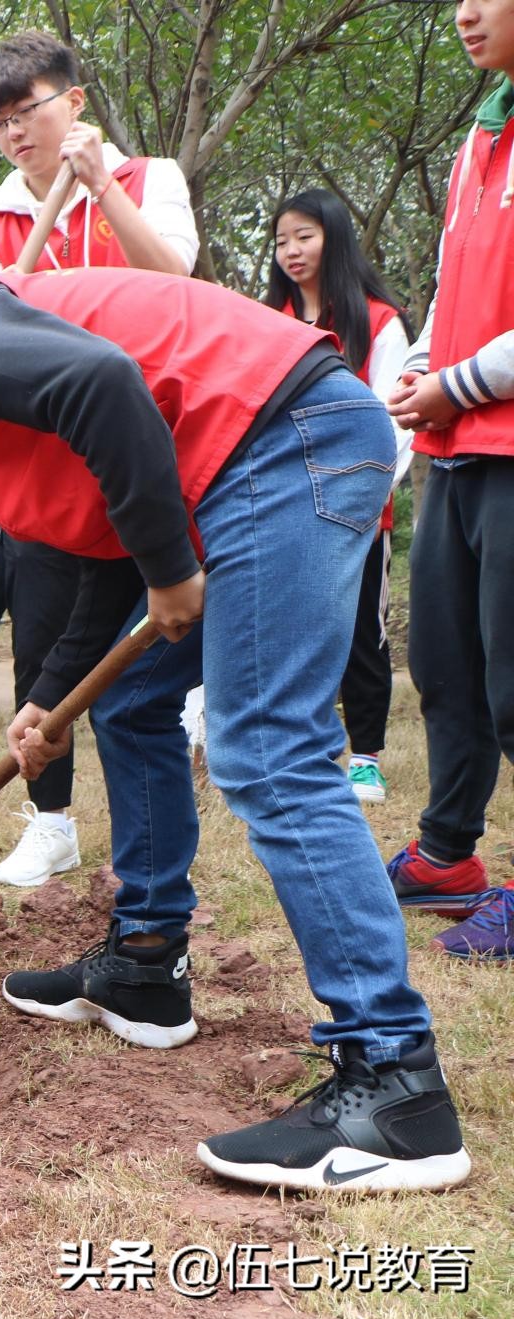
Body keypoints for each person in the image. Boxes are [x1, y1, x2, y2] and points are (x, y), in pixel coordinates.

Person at [0, 266, 470, 1193]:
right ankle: (146, 964)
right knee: (132, 699)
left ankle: (396, 1084)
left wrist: (168, 569)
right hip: (244, 457)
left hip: (283, 437)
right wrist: (52, 696)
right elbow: (110, 529)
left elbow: (105, 384)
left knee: (268, 750)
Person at [0, 31, 202, 892]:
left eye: (27, 110)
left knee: (145, 665)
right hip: (52, 462)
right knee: (41, 638)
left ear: (74, 100)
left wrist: (100, 187)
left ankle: (163, 826)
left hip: (158, 449)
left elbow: (177, 280)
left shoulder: (149, 179)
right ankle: (52, 822)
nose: (14, 133)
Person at [384, 0, 514, 962]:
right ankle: (446, 856)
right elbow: (450, 286)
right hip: (456, 448)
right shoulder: (481, 134)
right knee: (446, 664)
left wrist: (453, 385)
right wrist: (421, 367)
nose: (464, 11)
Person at [265, 190, 414, 805]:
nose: (292, 251)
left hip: (358, 510)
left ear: (335, 237)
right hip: (283, 506)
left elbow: (398, 419)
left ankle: (366, 759)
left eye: (305, 236)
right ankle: (300, 747)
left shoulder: (377, 321)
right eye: (281, 241)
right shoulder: (268, 320)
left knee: (359, 632)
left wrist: (362, 490)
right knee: (291, 631)